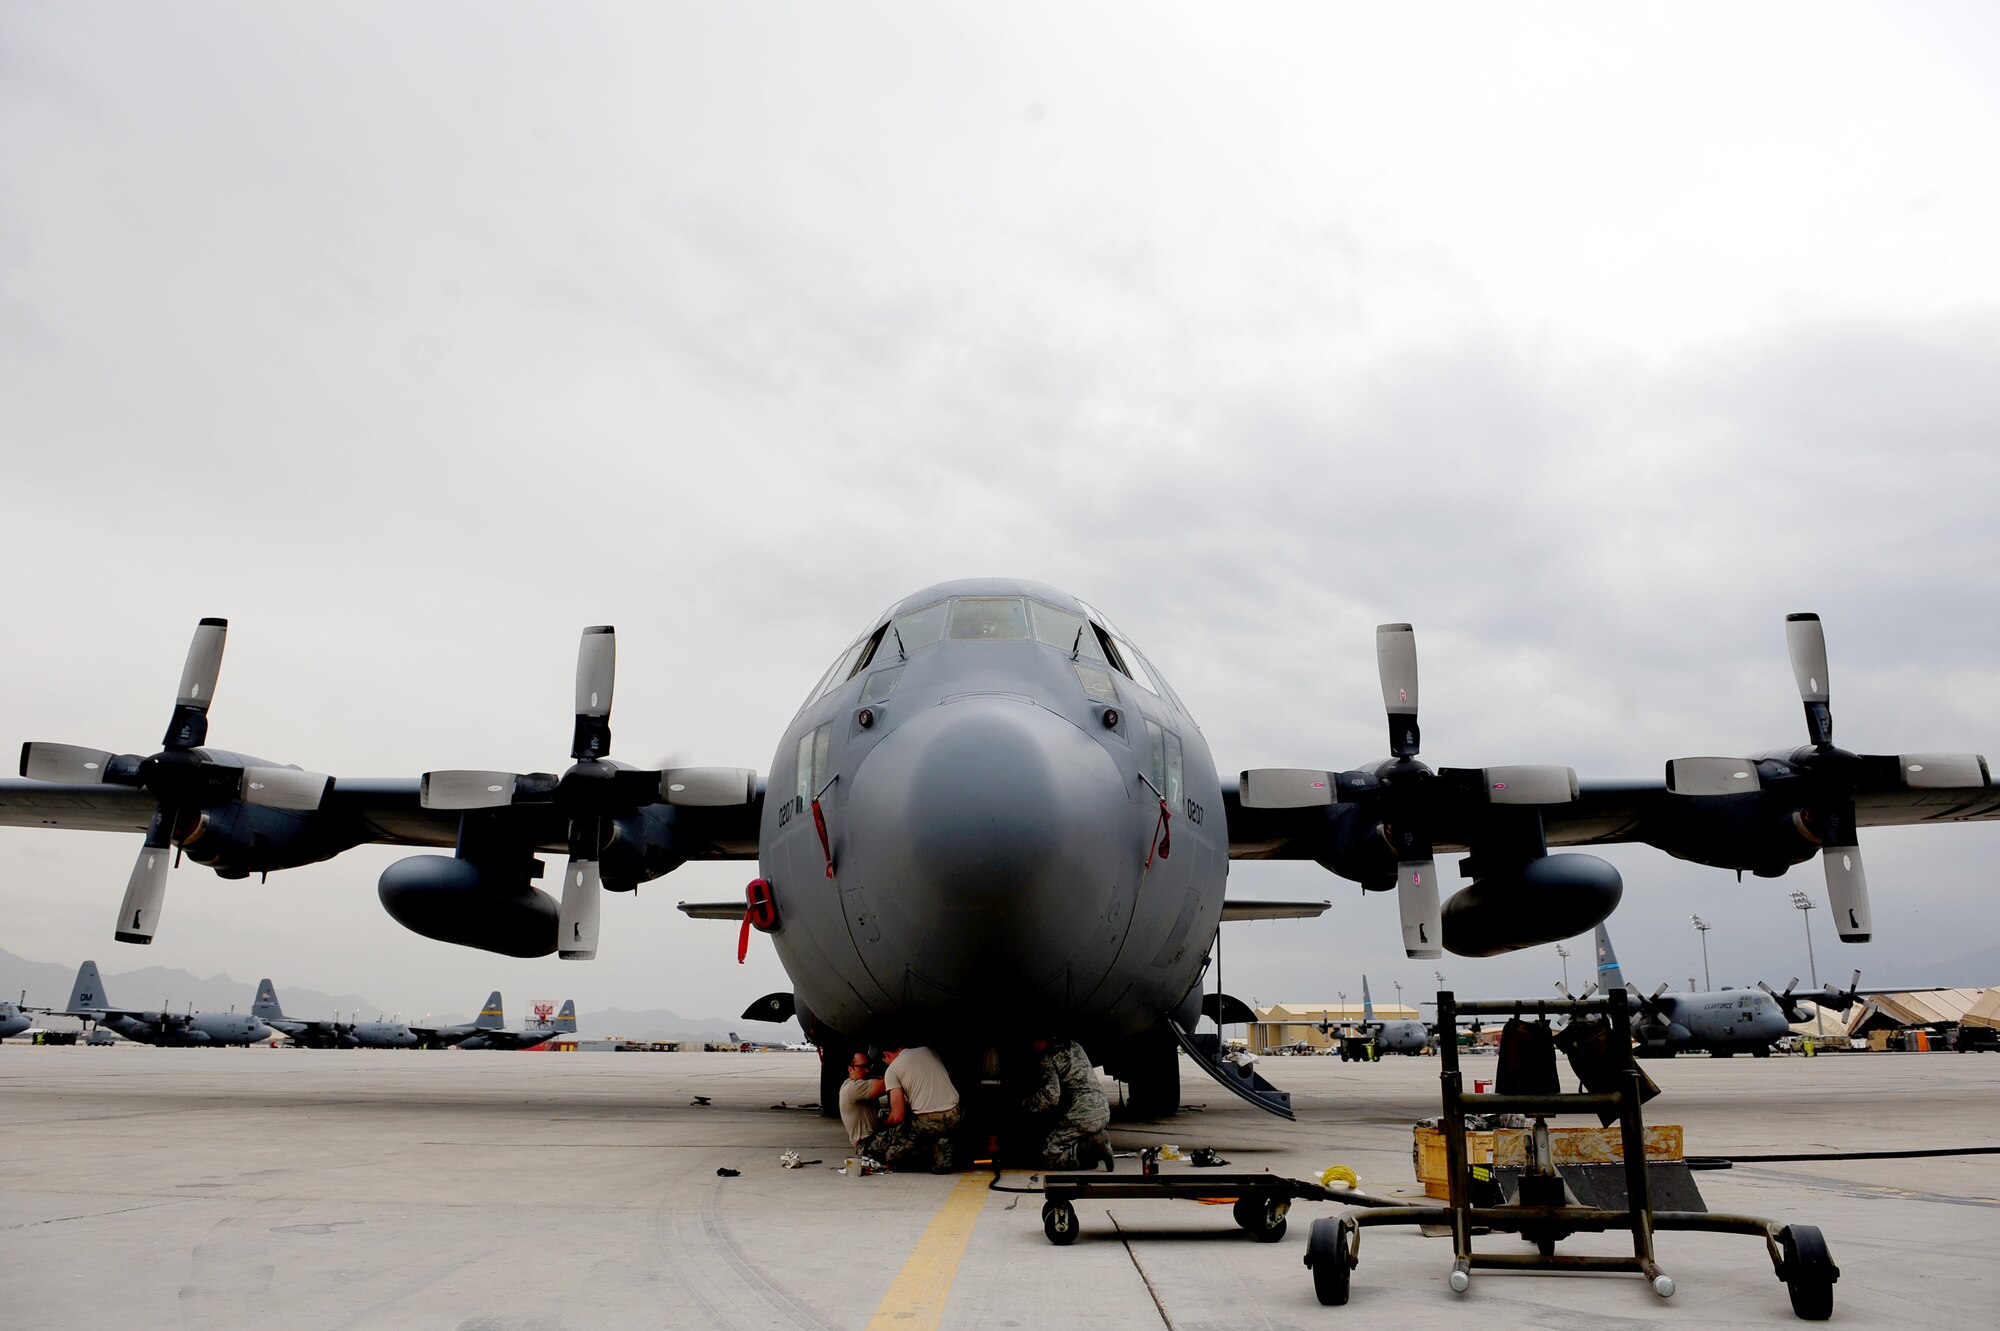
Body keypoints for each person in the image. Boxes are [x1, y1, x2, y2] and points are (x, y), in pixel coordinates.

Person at [859, 1045, 961, 1172]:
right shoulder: (928, 1050)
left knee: (891, 1155)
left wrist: (883, 1124)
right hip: (955, 1117)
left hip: (927, 1123)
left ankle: (934, 1153)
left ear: (886, 1055)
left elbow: (897, 1116)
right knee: (926, 1131)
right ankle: (941, 1143)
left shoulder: (893, 1069)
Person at [1022, 1036, 1112, 1171]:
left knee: (1047, 1156)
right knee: (1069, 1138)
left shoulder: (1047, 1060)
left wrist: (1024, 1105)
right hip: (1102, 1108)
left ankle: (1093, 1146)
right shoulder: (1074, 1046)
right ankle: (1093, 1145)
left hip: (1082, 1114)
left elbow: (1050, 1097)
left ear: (1042, 1041)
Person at [837, 1050, 881, 1150]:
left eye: (869, 1066)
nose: (867, 1070)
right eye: (862, 1067)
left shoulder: (860, 1083)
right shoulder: (853, 1088)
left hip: (873, 1140)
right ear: (850, 1069)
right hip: (867, 1144)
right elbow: (886, 1084)